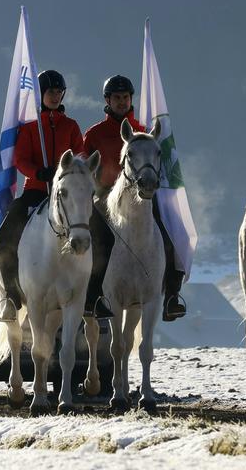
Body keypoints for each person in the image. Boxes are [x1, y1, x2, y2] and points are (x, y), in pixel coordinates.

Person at [82, 75, 187, 322]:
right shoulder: (94, 133)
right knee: (95, 241)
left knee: (171, 234)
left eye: (126, 97)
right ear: (108, 100)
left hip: (143, 195)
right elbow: (87, 167)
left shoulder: (144, 132)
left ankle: (171, 295)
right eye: (117, 98)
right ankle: (93, 297)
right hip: (106, 196)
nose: (122, 102)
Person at [0, 70, 85, 322]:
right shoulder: (31, 128)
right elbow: (20, 159)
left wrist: (69, 174)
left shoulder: (71, 126)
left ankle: (94, 295)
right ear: (41, 95)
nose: (55, 96)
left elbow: (82, 156)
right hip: (35, 191)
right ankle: (11, 296)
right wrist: (39, 172)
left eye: (58, 92)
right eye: (50, 92)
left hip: (67, 194)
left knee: (96, 230)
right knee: (3, 238)